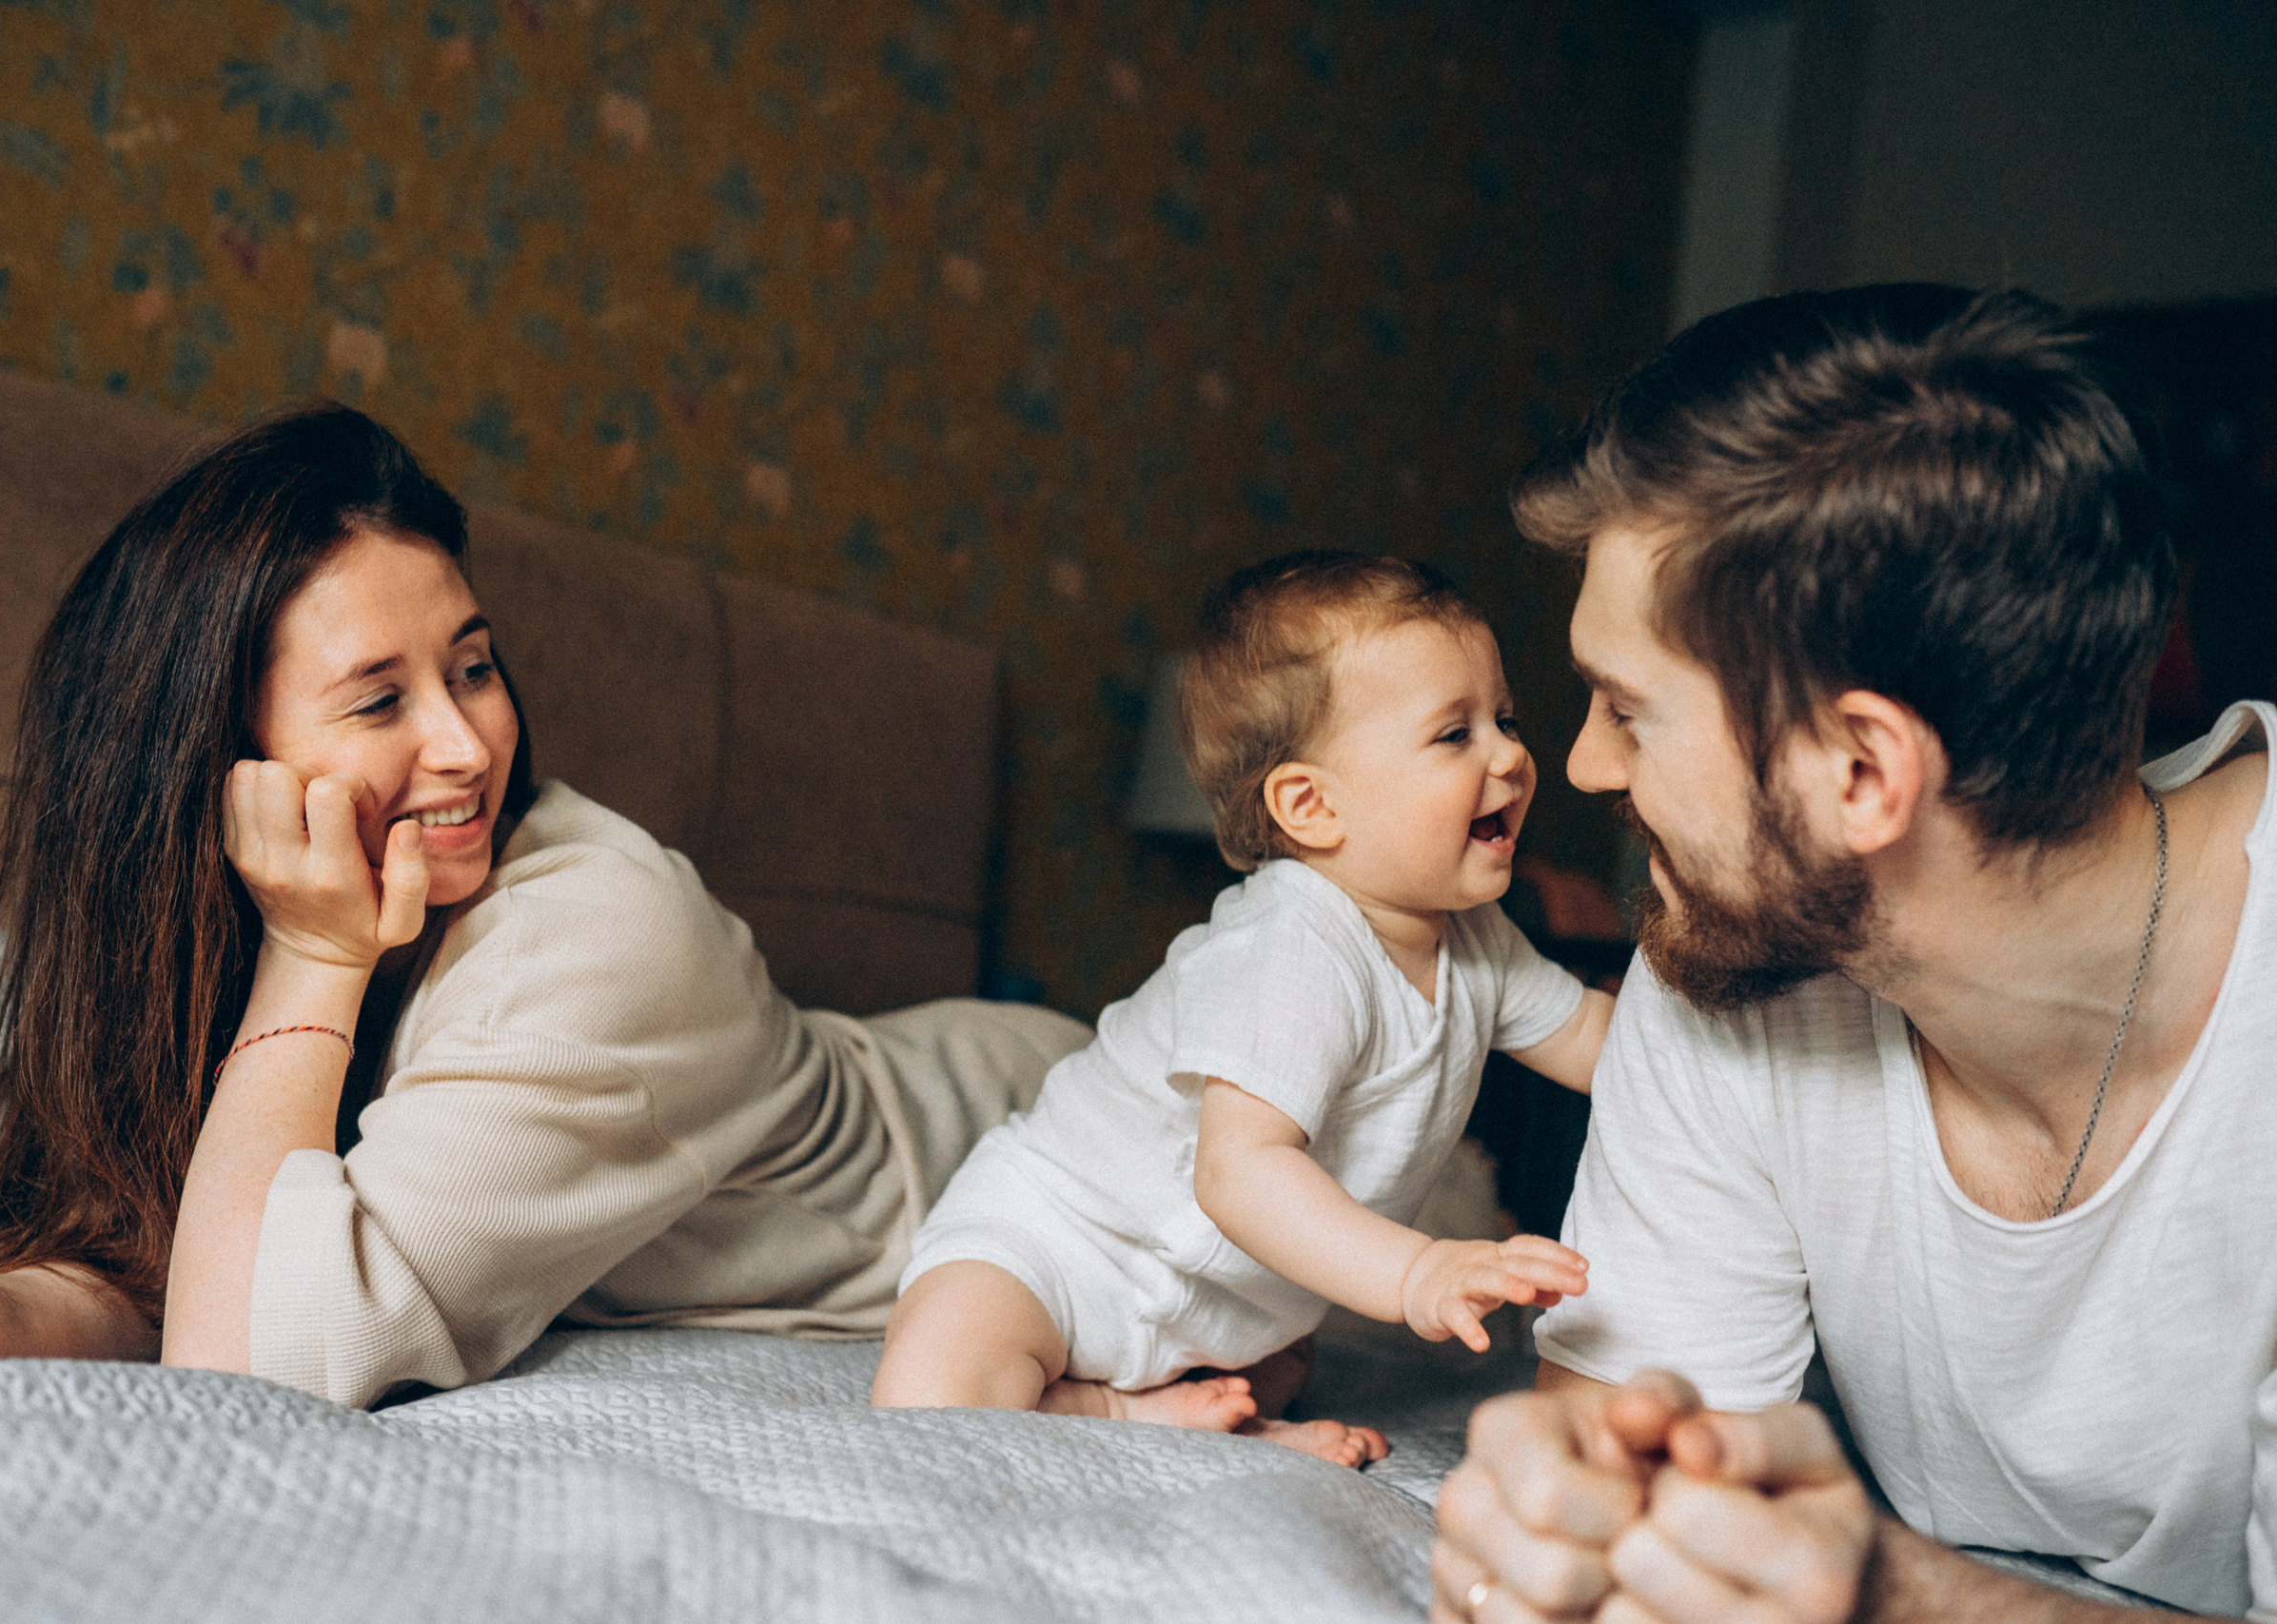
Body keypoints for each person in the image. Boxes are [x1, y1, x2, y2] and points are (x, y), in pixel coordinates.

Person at [0, 405, 1086, 1406]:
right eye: (380, 700)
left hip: (1052, 1132)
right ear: (210, 763)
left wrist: (311, 954)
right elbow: (174, 1245)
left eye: (474, 666)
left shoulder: (600, 932)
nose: (466, 741)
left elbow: (241, 1364)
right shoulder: (219, 928)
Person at [1428, 285, 2275, 1622]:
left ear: (1864, 768)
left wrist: (1894, 1596)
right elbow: (1623, 1512)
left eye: (1630, 709)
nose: (1583, 763)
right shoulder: (1728, 969)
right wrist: (1573, 1540)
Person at [873, 553, 1614, 1463]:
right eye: (1453, 735)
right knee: (931, 1392)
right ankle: (1102, 1412)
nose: (1510, 753)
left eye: (1503, 718)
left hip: (1235, 1307)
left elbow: (1594, 1042)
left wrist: (1728, 1041)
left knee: (1282, 1367)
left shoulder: (1478, 938)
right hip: (1068, 1242)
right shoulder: (1292, 946)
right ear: (1311, 804)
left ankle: (1163, 1404)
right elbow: (1241, 1172)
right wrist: (1419, 1267)